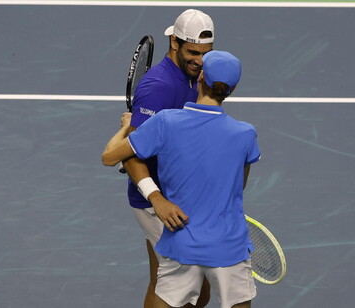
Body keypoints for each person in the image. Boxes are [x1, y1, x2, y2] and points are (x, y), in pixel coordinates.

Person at [102, 50, 260, 308]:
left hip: (181, 243)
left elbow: (110, 157)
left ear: (200, 79)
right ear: (232, 90)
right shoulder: (246, 135)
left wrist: (125, 128)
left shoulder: (165, 122)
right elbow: (238, 185)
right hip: (229, 247)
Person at [121, 9, 214, 308]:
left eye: (205, 53)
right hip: (157, 201)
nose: (200, 61)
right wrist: (158, 200)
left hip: (177, 194)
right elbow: (130, 156)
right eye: (193, 52)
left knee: (172, 282)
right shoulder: (158, 88)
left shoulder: (191, 76)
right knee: (187, 290)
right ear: (174, 42)